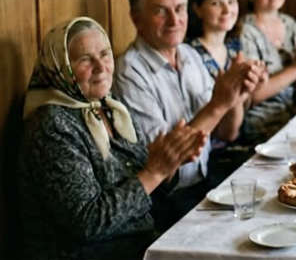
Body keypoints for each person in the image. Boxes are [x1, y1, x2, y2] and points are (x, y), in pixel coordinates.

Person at [19, 17, 206, 260]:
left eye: (105, 54)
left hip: (143, 243)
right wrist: (154, 172)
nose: (101, 66)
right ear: (60, 67)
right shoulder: (51, 127)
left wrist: (169, 163)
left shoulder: (111, 107)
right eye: (85, 59)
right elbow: (87, 222)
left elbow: (144, 191)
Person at [113, 0, 263, 228]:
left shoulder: (189, 54)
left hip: (204, 182)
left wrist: (236, 94)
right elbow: (168, 161)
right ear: (136, 19)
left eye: (179, 8)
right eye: (161, 11)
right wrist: (218, 104)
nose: (174, 20)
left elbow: (227, 132)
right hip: (163, 200)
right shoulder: (130, 71)